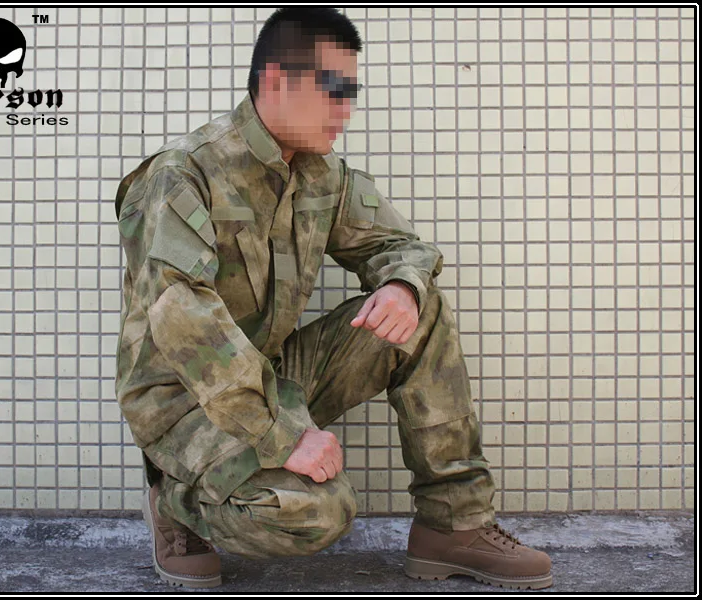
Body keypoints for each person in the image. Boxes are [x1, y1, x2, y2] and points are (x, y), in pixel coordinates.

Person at [113, 7, 552, 591]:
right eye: (334, 89)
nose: (346, 109)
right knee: (316, 512)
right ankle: (175, 500)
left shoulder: (323, 176)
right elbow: (183, 318)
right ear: (278, 80)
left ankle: (454, 526)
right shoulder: (183, 173)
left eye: (352, 92)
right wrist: (283, 434)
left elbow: (403, 248)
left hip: (269, 374)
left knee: (421, 308)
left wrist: (400, 285)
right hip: (185, 401)